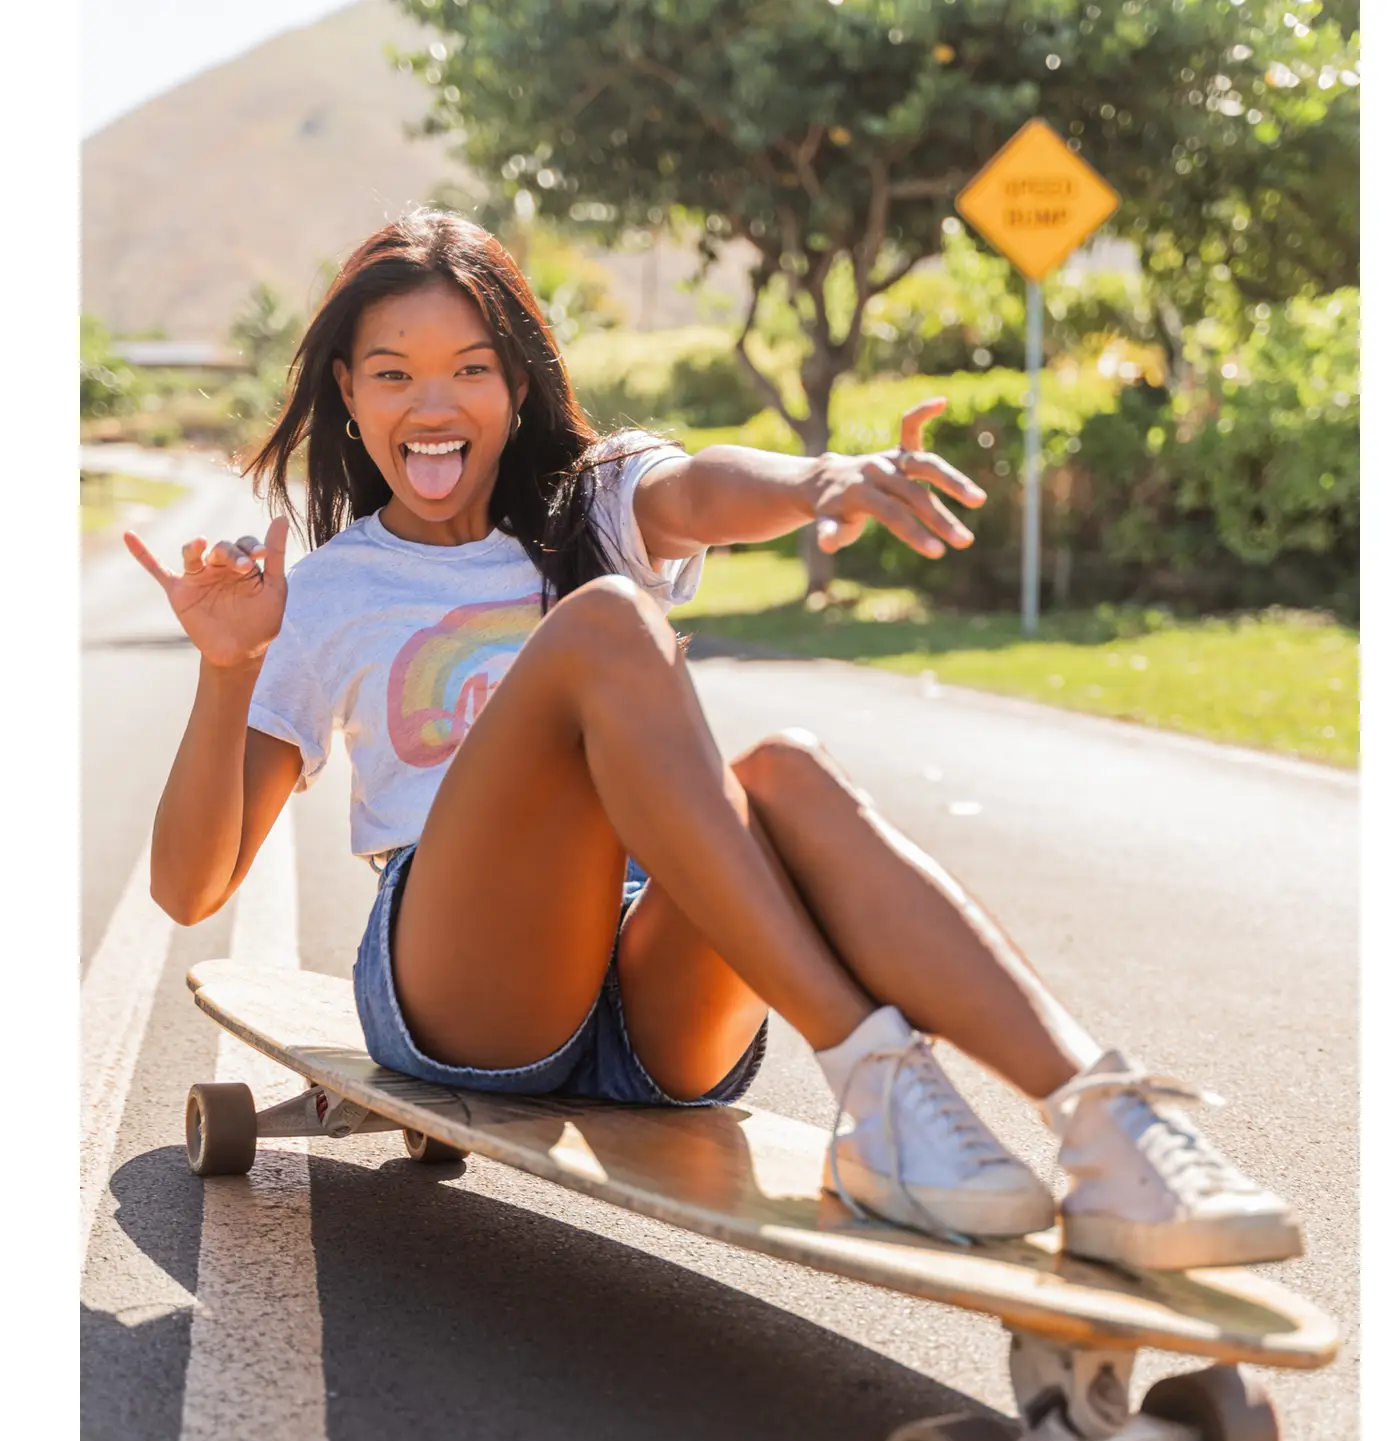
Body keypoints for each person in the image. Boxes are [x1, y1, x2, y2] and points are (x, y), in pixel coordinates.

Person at [127, 212, 1301, 1270]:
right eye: (394, 374)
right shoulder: (329, 591)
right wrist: (228, 669)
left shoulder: (592, 503)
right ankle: (877, 1083)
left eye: (470, 369)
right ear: (347, 391)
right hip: (468, 993)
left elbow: (700, 492)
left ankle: (1108, 1124)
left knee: (786, 771)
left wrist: (824, 480)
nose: (433, 407)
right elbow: (191, 888)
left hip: (656, 1008)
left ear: (519, 386)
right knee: (606, 625)